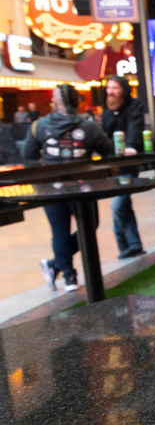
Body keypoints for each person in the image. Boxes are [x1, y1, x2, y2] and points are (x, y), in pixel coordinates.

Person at [21, 84, 111, 292]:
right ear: (76, 100)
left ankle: (66, 275)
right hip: (84, 188)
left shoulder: (39, 125)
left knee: (59, 231)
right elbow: (107, 150)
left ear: (55, 101)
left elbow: (28, 155)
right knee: (90, 225)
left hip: (50, 188)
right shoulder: (89, 126)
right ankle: (59, 268)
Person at [99, 75, 145, 259]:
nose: (110, 91)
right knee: (124, 205)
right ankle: (133, 244)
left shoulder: (135, 106)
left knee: (118, 205)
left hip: (128, 164)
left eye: (115, 88)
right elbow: (105, 134)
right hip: (113, 164)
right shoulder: (106, 111)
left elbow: (135, 127)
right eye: (109, 88)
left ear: (124, 90)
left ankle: (123, 242)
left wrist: (131, 146)